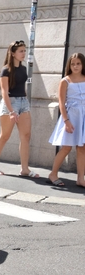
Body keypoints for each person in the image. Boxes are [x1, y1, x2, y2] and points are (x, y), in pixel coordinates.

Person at [0, 40, 39, 177]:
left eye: (24, 50)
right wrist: (11, 111)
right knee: (5, 136)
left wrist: (24, 102)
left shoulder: (23, 69)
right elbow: (4, 92)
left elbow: (21, 87)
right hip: (10, 103)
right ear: (13, 53)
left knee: (26, 136)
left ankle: (24, 169)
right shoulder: (6, 70)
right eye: (21, 51)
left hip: (23, 102)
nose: (24, 53)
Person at [47, 53, 85, 187]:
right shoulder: (65, 81)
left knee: (82, 147)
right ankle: (53, 174)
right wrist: (66, 121)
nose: (75, 66)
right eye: (73, 64)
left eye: (78, 63)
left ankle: (81, 178)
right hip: (71, 117)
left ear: (83, 65)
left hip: (84, 117)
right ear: (69, 65)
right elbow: (62, 104)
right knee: (66, 147)